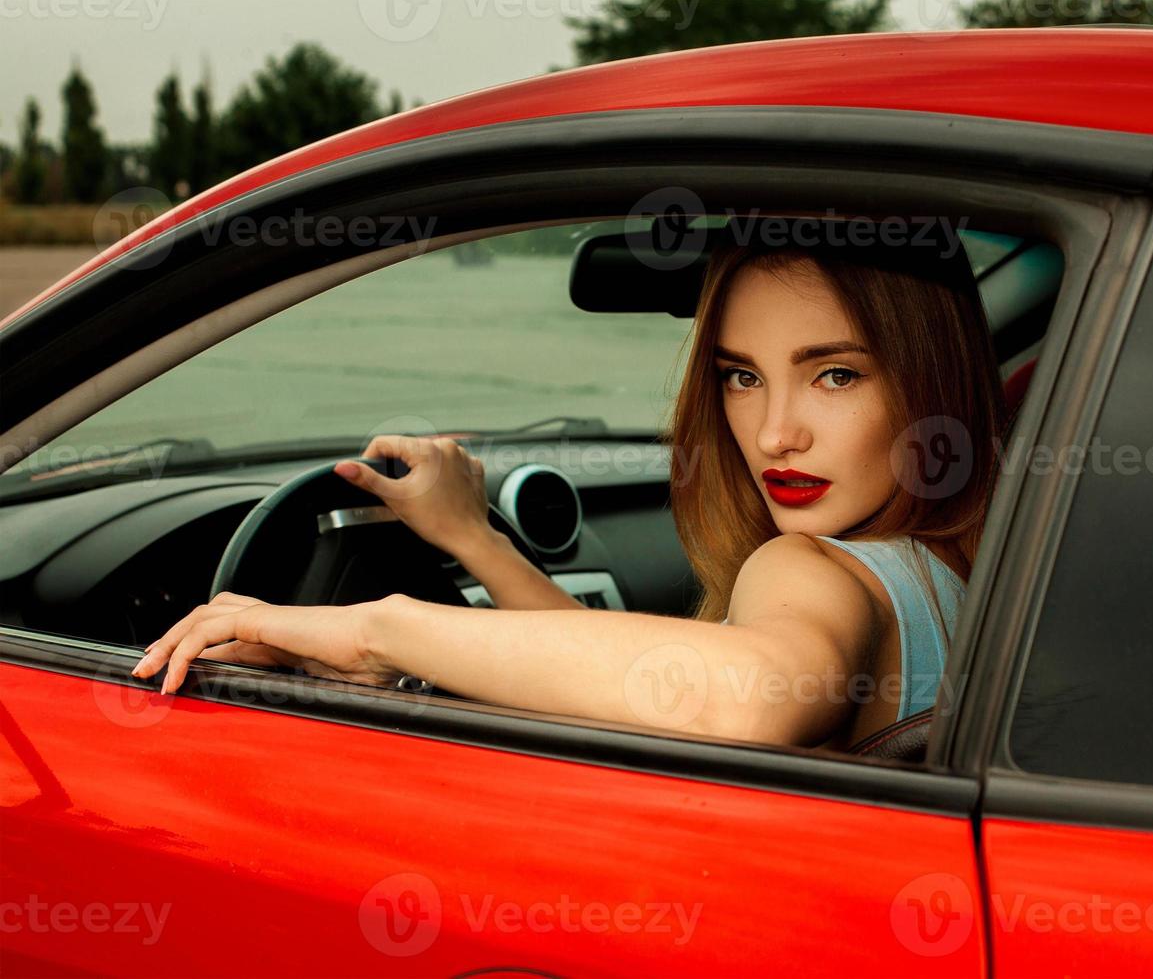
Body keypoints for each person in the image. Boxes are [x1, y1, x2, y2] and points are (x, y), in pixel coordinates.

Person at [133, 218, 1007, 749]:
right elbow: (633, 683)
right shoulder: (961, 568)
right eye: (742, 376)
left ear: (929, 383)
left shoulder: (812, 569)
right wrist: (476, 542)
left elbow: (746, 695)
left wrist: (372, 631)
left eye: (836, 376)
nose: (776, 432)